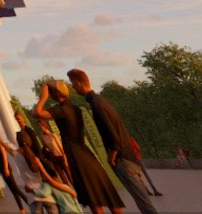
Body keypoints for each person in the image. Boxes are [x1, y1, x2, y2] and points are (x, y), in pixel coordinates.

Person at [33, 79, 122, 214]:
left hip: (75, 154)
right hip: (85, 153)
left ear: (55, 93)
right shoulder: (75, 109)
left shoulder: (61, 110)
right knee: (105, 191)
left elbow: (37, 113)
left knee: (91, 195)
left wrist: (43, 95)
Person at [71, 71, 154, 214]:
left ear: (78, 82)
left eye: (73, 84)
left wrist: (112, 155)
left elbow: (113, 135)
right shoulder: (101, 101)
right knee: (143, 201)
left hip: (123, 159)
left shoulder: (96, 104)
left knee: (144, 203)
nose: (73, 88)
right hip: (129, 157)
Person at [16, 127, 80, 214]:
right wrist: (72, 191)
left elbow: (45, 191)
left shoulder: (51, 185)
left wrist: (30, 190)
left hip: (65, 210)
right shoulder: (62, 186)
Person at [0, 119, 27, 211]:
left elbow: (4, 154)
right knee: (13, 190)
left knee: (16, 189)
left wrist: (6, 168)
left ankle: (31, 204)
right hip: (1, 166)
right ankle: (22, 210)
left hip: (5, 167)